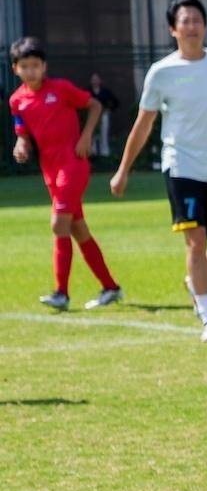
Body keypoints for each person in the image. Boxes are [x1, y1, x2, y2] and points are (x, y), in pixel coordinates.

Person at [109, 0, 207, 342]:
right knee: (195, 240)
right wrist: (123, 170)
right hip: (182, 166)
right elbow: (143, 124)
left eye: (197, 20)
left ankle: (195, 282)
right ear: (173, 29)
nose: (192, 26)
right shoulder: (162, 72)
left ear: (205, 26)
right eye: (185, 20)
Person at [10, 36, 122, 311]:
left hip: (73, 164)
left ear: (44, 66)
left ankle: (61, 293)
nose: (30, 71)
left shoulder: (60, 89)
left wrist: (86, 136)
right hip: (50, 170)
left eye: (35, 65)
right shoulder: (17, 101)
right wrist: (21, 145)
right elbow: (22, 132)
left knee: (58, 224)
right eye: (24, 66)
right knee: (77, 229)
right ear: (15, 69)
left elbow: (95, 105)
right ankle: (111, 287)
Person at [87, 72, 118, 156]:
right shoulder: (88, 91)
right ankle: (93, 153)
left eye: (96, 79)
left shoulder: (105, 91)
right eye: (93, 80)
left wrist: (109, 110)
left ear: (100, 81)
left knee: (103, 133)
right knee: (92, 134)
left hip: (103, 115)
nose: (95, 81)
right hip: (91, 116)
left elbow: (115, 102)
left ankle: (104, 153)